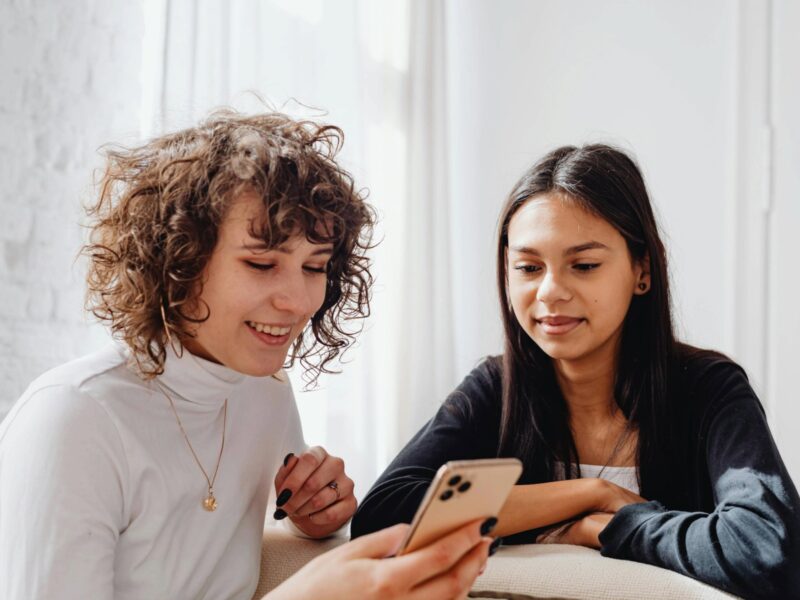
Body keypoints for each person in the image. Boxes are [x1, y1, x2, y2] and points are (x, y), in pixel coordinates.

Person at [0, 110, 495, 599]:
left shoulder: (263, 392)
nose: (299, 301)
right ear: (177, 258)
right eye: (261, 263)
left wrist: (314, 514)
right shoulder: (72, 419)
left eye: (315, 266)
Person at [351, 144, 800, 599]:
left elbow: (768, 553)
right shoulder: (497, 388)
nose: (549, 291)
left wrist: (612, 528)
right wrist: (592, 494)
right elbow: (382, 518)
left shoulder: (707, 389)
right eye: (528, 267)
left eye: (583, 266)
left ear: (642, 268)